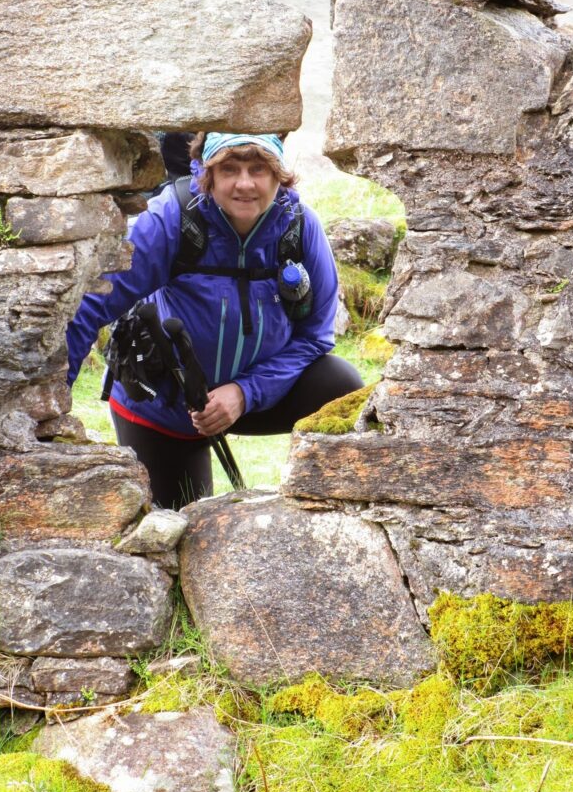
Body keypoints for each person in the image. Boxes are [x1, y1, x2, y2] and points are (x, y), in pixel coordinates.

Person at [66, 132, 363, 509]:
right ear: (206, 174)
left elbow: (314, 338)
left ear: (279, 175)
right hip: (167, 404)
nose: (245, 183)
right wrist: (49, 417)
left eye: (258, 169)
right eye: (229, 169)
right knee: (179, 523)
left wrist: (243, 393)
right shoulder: (171, 217)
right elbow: (90, 304)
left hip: (260, 396)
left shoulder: (299, 227)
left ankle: (333, 507)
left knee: (340, 384)